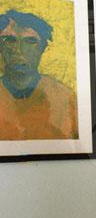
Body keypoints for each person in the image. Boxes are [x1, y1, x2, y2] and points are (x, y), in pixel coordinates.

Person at [0, 9, 78, 140]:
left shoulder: (64, 98)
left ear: (43, 47)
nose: (19, 49)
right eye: (9, 40)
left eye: (30, 41)